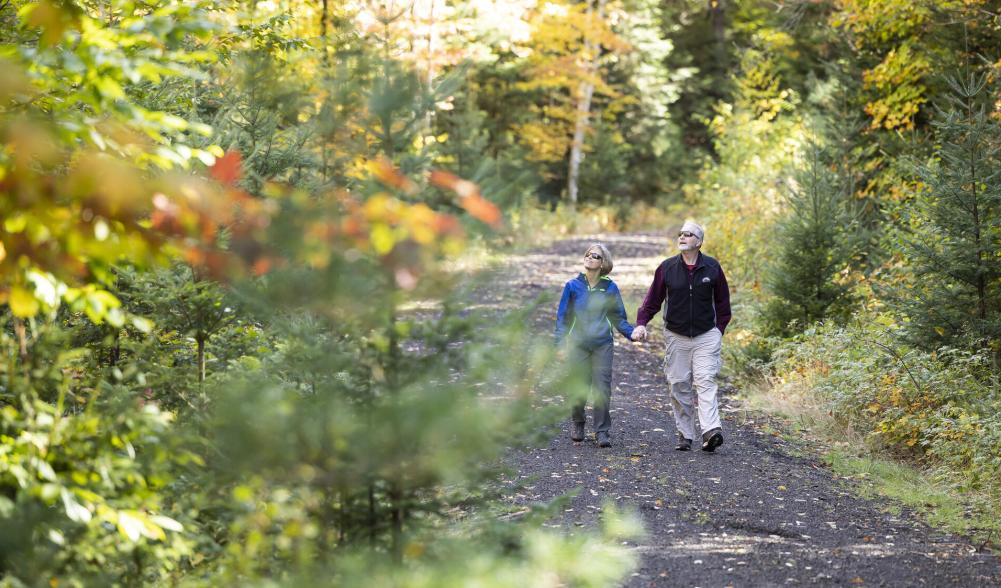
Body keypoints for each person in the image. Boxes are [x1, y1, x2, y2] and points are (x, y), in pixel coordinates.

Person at [631, 221, 731, 452]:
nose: (683, 237)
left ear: (699, 241)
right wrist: (641, 324)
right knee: (678, 384)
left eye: (689, 234)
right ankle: (685, 434)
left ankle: (711, 431)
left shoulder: (712, 268)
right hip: (676, 335)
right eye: (681, 234)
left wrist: (719, 330)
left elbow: (723, 304)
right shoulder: (667, 268)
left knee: (705, 381)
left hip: (706, 335)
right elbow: (652, 300)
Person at [554, 243, 636, 448]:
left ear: (603, 263)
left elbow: (618, 318)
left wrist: (631, 333)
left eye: (596, 256)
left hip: (602, 344)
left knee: (602, 387)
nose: (590, 258)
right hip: (578, 344)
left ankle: (602, 431)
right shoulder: (572, 286)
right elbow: (563, 319)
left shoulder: (609, 288)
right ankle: (578, 422)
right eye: (588, 255)